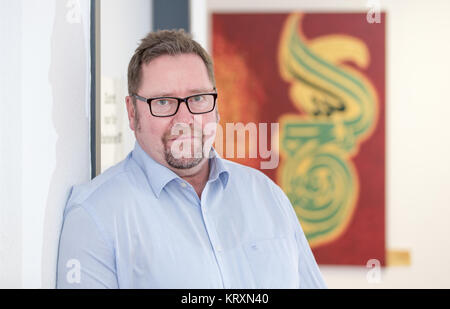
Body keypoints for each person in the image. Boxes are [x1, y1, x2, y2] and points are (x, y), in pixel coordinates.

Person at [56, 29, 326, 289]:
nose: (185, 119)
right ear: (131, 111)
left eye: (197, 98)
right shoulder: (94, 215)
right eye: (163, 102)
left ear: (216, 106)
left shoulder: (268, 196)